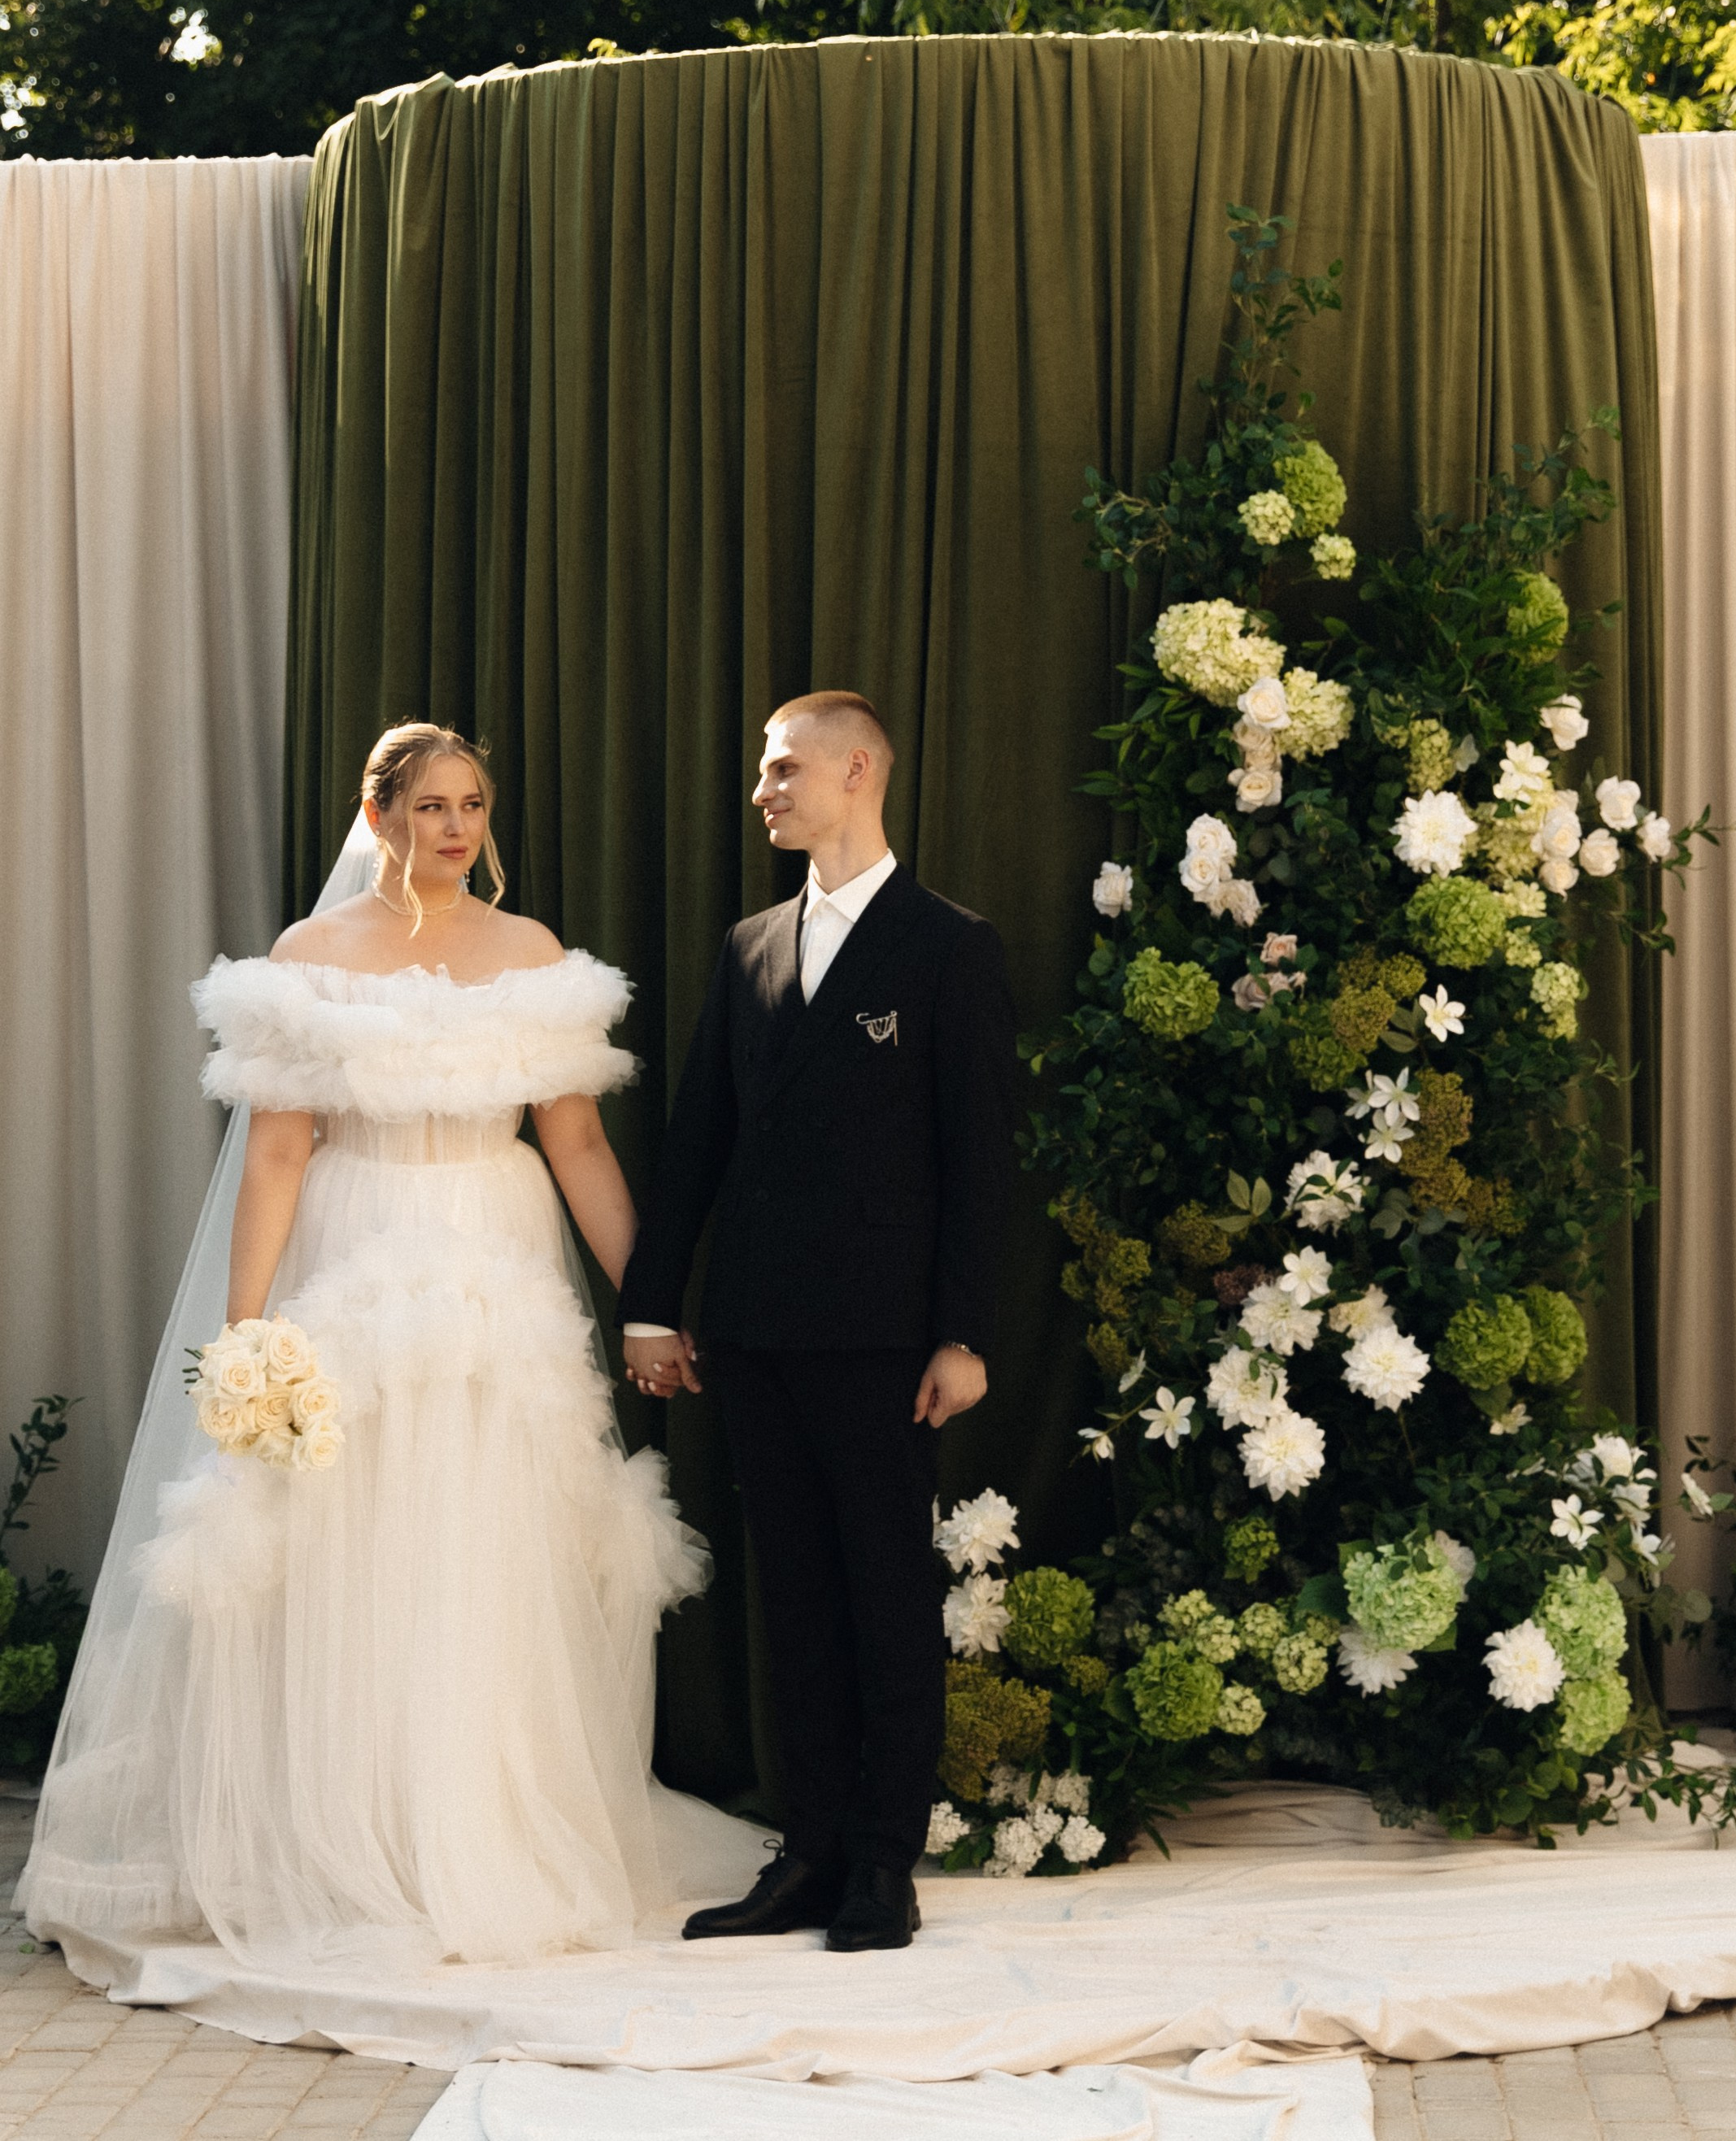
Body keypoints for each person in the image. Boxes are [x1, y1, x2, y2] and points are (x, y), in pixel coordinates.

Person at [20, 723, 759, 1982]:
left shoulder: (530, 957)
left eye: (472, 804)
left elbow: (576, 1146)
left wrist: (651, 1300)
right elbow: (275, 1155)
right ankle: (347, 1832)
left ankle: (480, 1821)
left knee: (487, 1542)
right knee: (354, 1542)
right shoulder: (309, 960)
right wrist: (245, 1335)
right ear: (381, 814)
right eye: (430, 805)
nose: (456, 827)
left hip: (500, 1266)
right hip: (354, 1259)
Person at [619, 690, 1017, 1953]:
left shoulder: (950, 946)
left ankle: (883, 1864)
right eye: (761, 771)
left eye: (784, 768)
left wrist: (964, 1332)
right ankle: (808, 1852)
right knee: (791, 1598)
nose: (764, 791)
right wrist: (650, 1310)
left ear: (858, 770)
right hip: (754, 1330)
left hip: (887, 1340)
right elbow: (697, 1141)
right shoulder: (749, 946)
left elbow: (981, 1160)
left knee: (887, 1593)